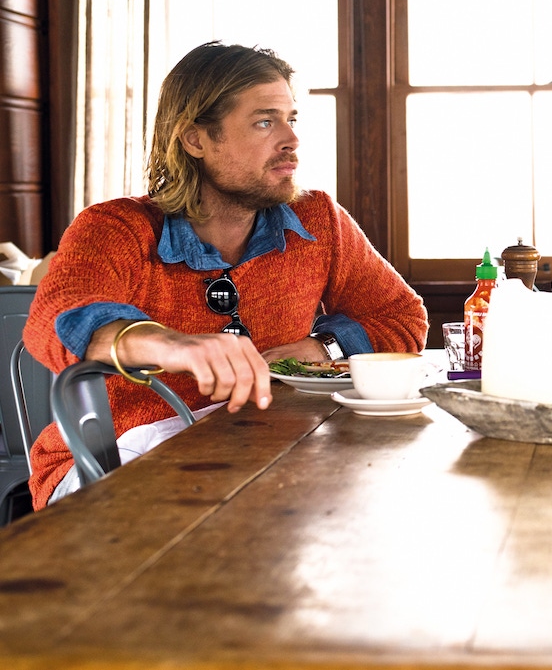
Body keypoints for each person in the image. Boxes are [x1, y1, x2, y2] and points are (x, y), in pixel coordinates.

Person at [23, 42, 429, 509]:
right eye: (264, 121)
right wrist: (169, 343)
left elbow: (399, 315)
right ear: (196, 140)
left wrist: (324, 347)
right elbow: (54, 321)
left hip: (262, 450)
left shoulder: (319, 219)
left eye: (291, 119)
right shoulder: (115, 227)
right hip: (111, 462)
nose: (290, 139)